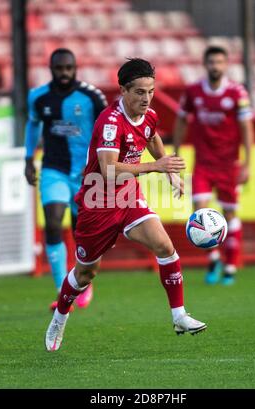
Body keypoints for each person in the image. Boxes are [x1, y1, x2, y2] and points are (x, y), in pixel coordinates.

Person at [45, 58, 207, 351]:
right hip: (97, 202)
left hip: (129, 197)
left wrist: (170, 172)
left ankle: (179, 315)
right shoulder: (110, 122)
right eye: (139, 92)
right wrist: (156, 166)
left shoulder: (149, 116)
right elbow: (107, 169)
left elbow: (152, 138)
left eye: (151, 91)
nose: (146, 99)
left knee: (165, 247)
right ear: (123, 90)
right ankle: (60, 317)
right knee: (86, 273)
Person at [24, 48, 108, 310]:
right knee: (51, 222)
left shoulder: (92, 97)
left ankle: (83, 280)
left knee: (81, 233)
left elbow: (109, 127)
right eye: (59, 69)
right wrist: (28, 158)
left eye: (69, 68)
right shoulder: (38, 97)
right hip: (54, 170)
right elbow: (33, 124)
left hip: (86, 175)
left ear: (75, 68)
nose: (64, 73)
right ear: (51, 69)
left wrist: (103, 166)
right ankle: (63, 290)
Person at [173, 46, 254, 285]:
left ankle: (230, 266)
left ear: (226, 64)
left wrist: (248, 163)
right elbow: (180, 120)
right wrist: (176, 152)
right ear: (205, 64)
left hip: (229, 164)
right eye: (211, 62)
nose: (215, 66)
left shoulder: (237, 93)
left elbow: (247, 129)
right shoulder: (193, 92)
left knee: (229, 214)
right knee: (199, 213)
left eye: (219, 62)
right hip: (203, 164)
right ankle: (213, 257)